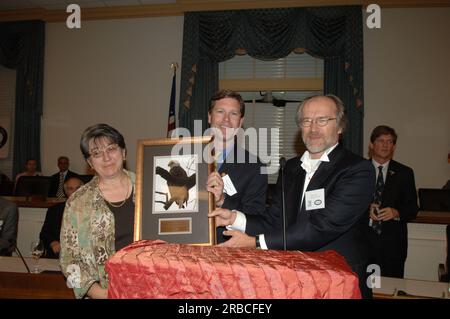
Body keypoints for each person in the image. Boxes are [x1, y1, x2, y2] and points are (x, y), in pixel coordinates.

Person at [209, 94, 375, 298]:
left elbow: (321, 227)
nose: (313, 128)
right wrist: (234, 218)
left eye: (322, 120)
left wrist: (256, 242)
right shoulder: (291, 168)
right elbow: (274, 220)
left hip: (338, 281)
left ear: (340, 127)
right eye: (306, 121)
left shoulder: (357, 170)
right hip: (294, 280)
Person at [60, 124, 135, 299]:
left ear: (123, 152)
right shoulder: (77, 203)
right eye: (96, 153)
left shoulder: (151, 187)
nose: (106, 157)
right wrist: (97, 292)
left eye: (111, 148)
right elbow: (68, 261)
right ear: (89, 162)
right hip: (104, 293)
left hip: (153, 289)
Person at [205, 89, 267, 243]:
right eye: (220, 111)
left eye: (233, 114)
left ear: (240, 122)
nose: (226, 119)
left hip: (227, 250)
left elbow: (257, 221)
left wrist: (222, 200)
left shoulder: (255, 167)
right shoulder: (186, 158)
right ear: (209, 116)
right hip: (185, 245)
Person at [366, 125, 418, 278]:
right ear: (371, 144)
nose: (385, 145)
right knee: (367, 289)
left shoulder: (405, 173)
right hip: (364, 241)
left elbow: (413, 208)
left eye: (389, 142)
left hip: (393, 245)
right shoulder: (358, 170)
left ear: (394, 146)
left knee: (392, 289)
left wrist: (396, 212)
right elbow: (347, 206)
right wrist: (366, 210)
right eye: (381, 140)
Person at [40, 176, 84, 259]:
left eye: (78, 188)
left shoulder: (93, 210)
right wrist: (53, 243)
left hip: (83, 256)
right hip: (58, 255)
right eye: (71, 189)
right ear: (66, 192)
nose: (75, 192)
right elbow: (44, 234)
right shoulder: (55, 210)